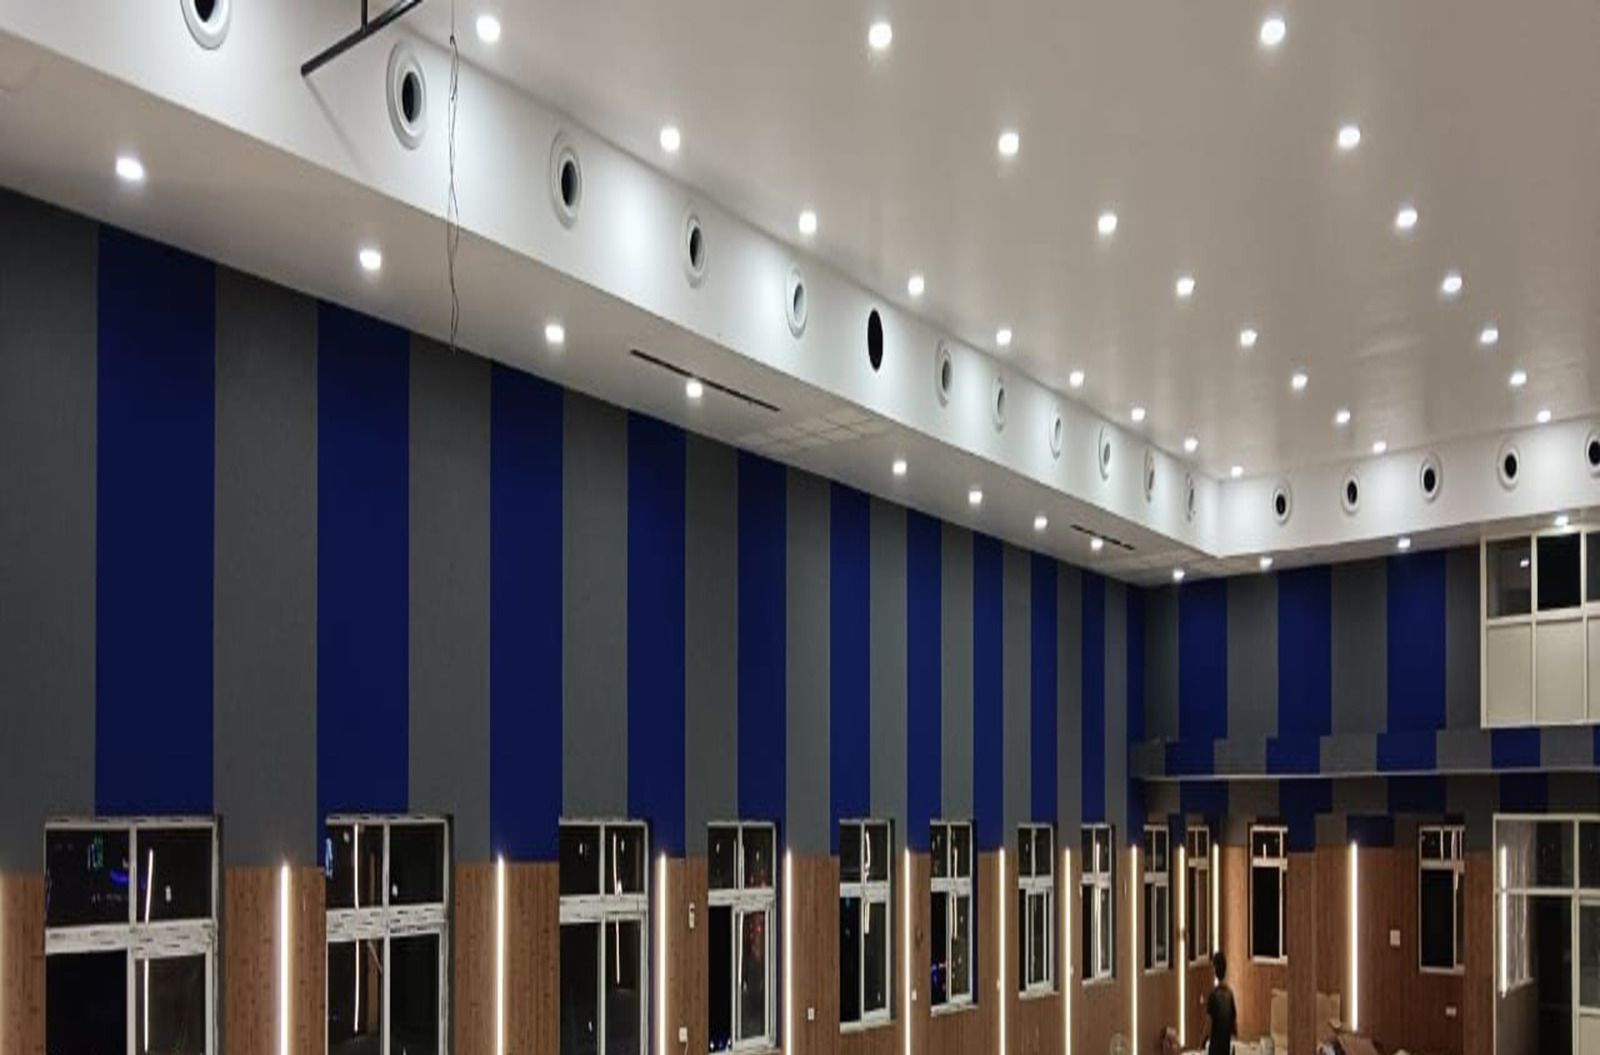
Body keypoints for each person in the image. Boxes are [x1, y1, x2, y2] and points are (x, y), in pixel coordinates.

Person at [1200, 950, 1237, 1055]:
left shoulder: (1213, 996)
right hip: (1226, 1046)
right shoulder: (1229, 995)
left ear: (1214, 969)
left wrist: (1201, 1041)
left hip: (1215, 1048)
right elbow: (1234, 1024)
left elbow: (1209, 1023)